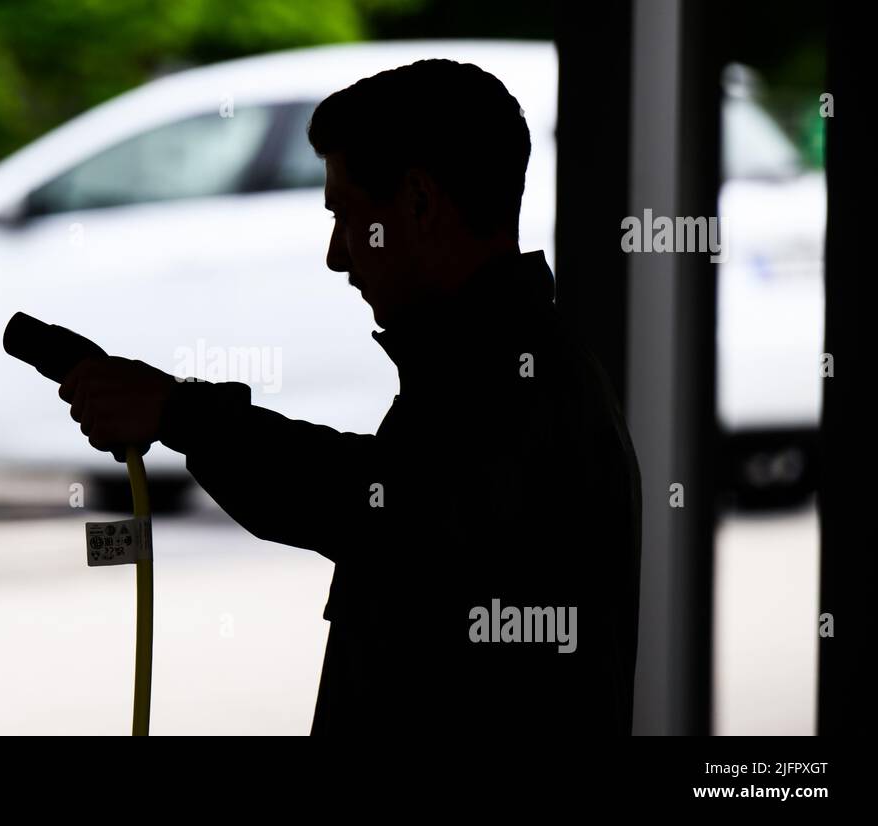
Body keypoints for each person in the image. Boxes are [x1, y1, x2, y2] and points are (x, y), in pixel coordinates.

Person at [58, 59, 641, 735]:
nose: (338, 256)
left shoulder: (517, 385)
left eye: (348, 217)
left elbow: (374, 501)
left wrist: (176, 412)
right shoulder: (515, 370)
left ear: (419, 203)